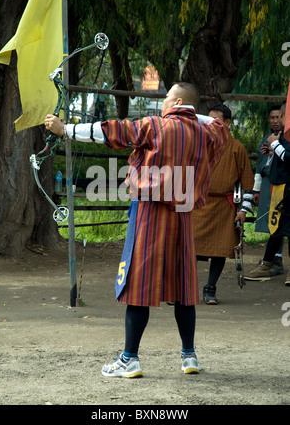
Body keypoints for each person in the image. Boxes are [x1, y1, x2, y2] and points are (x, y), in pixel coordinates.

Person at [44, 82, 229, 377]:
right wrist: (192, 113)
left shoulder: (155, 126)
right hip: (182, 215)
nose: (163, 103)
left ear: (178, 101)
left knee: (139, 285)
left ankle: (130, 359)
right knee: (183, 286)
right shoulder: (207, 133)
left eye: (167, 98)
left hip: (150, 211)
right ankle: (189, 357)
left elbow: (112, 131)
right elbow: (218, 124)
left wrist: (66, 129)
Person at [192, 103, 254, 304]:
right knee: (188, 248)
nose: (211, 125)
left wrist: (243, 210)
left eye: (216, 121)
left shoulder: (237, 148)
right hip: (197, 204)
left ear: (227, 123)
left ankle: (210, 288)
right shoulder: (198, 144)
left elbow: (247, 183)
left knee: (220, 250)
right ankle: (184, 288)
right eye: (208, 121)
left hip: (224, 207)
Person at [244, 103, 290, 286]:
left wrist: (275, 145)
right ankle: (267, 265)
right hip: (280, 188)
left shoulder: (283, 137)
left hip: (288, 188)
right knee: (276, 228)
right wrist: (272, 151)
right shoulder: (278, 137)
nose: (279, 119)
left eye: (282, 115)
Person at [252, 106, 285, 276]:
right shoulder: (267, 138)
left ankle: (276, 259)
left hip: (282, 184)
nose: (275, 121)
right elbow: (259, 167)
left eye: (278, 117)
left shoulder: (285, 139)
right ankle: (271, 259)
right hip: (267, 183)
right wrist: (256, 190)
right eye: (272, 117)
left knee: (280, 221)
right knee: (271, 222)